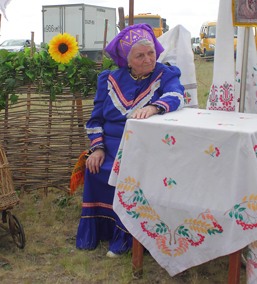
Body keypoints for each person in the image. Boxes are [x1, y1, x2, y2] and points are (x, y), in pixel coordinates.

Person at [75, 23, 185, 257]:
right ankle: (101, 231)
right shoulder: (109, 79)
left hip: (145, 147)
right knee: (95, 168)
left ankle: (127, 238)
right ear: (127, 60)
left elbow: (176, 95)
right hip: (112, 146)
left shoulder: (165, 74)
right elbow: (95, 119)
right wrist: (97, 148)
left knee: (128, 175)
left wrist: (155, 107)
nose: (148, 59)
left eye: (151, 53)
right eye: (140, 56)